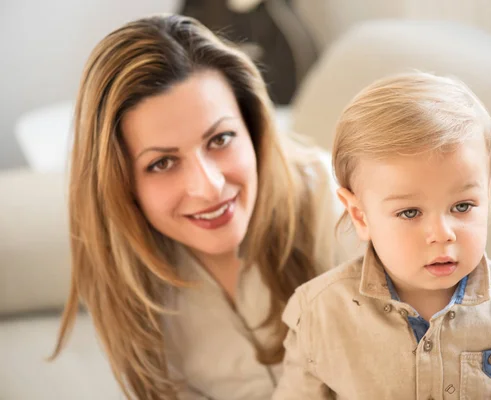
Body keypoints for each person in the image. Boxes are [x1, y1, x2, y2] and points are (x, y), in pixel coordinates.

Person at [50, 14, 354, 400]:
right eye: (162, 163)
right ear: (121, 183)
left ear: (253, 128)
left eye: (221, 138)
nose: (209, 187)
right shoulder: (127, 279)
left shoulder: (335, 202)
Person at [273, 72, 491, 399]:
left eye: (463, 206)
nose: (442, 234)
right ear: (359, 215)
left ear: (487, 194)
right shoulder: (319, 314)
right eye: (410, 213)